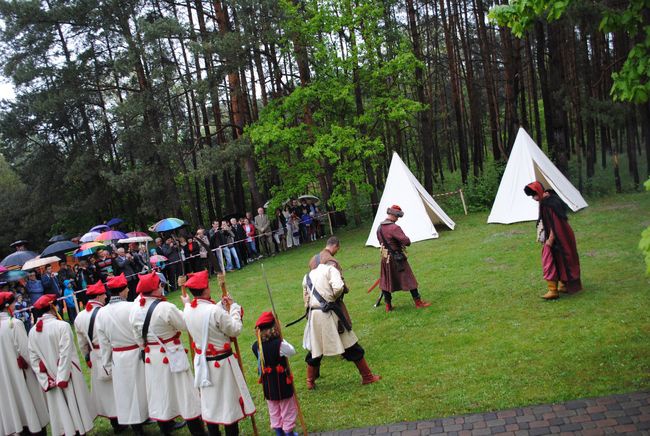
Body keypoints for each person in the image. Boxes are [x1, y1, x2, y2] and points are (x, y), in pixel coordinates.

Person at [181, 270, 256, 436]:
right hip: (222, 364)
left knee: (210, 404)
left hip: (203, 363)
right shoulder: (214, 312)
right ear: (206, 289)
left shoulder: (188, 310)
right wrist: (234, 308)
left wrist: (221, 306)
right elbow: (234, 329)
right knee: (229, 405)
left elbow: (205, 315)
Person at [129, 272, 204, 435]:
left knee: (159, 393)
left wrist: (146, 346)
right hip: (170, 353)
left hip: (151, 356)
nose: (162, 288)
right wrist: (187, 306)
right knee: (185, 394)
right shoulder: (165, 307)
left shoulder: (134, 308)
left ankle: (165, 429)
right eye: (160, 285)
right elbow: (185, 324)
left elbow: (137, 337)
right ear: (156, 288)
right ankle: (198, 432)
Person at [303, 236, 380, 389]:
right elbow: (338, 288)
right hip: (330, 313)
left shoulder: (308, 275)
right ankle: (367, 377)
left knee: (316, 349)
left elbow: (306, 295)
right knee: (351, 345)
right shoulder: (332, 268)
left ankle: (310, 382)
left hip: (314, 315)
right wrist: (331, 299)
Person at [28, 294, 97, 435]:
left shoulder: (33, 332)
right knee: (74, 404)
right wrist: (62, 378)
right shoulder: (62, 326)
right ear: (52, 307)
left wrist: (46, 380)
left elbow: (34, 359)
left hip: (52, 377)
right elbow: (65, 353)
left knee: (60, 410)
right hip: (67, 374)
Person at [95, 274, 149, 435]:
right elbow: (141, 331)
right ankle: (148, 419)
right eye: (126, 288)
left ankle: (136, 425)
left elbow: (103, 342)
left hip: (118, 356)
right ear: (123, 290)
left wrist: (107, 363)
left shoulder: (101, 313)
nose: (128, 290)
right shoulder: (132, 307)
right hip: (136, 352)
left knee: (126, 392)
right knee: (142, 389)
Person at [74, 281, 121, 432]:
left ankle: (115, 422)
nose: (106, 298)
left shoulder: (79, 317)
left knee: (105, 391)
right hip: (112, 352)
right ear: (99, 296)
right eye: (104, 295)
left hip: (95, 354)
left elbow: (81, 344)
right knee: (119, 387)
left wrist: (87, 357)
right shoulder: (104, 312)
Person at [0, 291, 49, 436]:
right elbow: (26, 352)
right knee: (28, 403)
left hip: (3, 376)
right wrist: (36, 368)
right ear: (7, 306)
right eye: (14, 303)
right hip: (21, 373)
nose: (16, 305)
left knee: (11, 403)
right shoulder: (14, 324)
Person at [524, 181, 582, 299]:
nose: (534, 198)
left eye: (534, 195)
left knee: (550, 259)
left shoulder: (549, 204)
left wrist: (549, 240)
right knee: (560, 259)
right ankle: (563, 285)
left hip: (560, 236)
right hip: (563, 235)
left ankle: (553, 290)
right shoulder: (550, 199)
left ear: (539, 192)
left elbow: (555, 224)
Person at [377, 205, 431, 312]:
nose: (398, 219)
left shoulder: (379, 227)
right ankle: (418, 303)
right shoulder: (394, 227)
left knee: (386, 282)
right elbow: (406, 241)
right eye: (397, 216)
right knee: (409, 279)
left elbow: (380, 241)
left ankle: (388, 306)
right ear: (393, 215)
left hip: (385, 258)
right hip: (397, 258)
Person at [252, 312, 298, 436]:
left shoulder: (256, 346)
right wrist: (282, 339)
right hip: (282, 383)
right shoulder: (279, 344)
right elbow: (292, 351)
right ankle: (288, 433)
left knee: (274, 410)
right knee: (287, 409)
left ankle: (279, 432)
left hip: (268, 385)